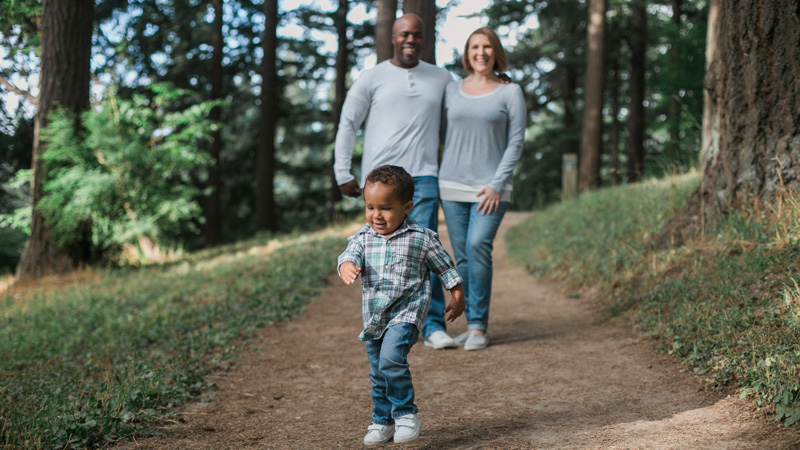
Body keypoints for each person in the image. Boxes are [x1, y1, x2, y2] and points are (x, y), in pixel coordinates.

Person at [333, 13, 460, 350]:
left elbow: (464, 111)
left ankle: (432, 326)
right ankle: (389, 322)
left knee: (425, 250)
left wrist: (499, 79)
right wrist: (342, 172)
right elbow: (348, 124)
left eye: (417, 34)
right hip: (380, 181)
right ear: (392, 36)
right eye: (404, 33)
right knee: (379, 255)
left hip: (425, 176)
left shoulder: (442, 77)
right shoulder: (371, 77)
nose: (410, 39)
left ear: (424, 38)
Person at [338, 165, 465, 445]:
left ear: (406, 206)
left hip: (407, 313)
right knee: (377, 372)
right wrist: (347, 265)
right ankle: (382, 421)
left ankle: (406, 414)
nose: (376, 215)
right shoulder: (362, 237)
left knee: (391, 360)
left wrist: (457, 296)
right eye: (369, 207)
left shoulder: (421, 238)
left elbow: (446, 269)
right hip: (374, 318)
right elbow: (348, 255)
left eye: (385, 208)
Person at [425, 27, 527, 351]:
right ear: (467, 54)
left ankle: (480, 327)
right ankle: (470, 327)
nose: (480, 53)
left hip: (491, 189)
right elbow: (440, 132)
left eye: (486, 47)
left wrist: (497, 184)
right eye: (474, 47)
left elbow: (516, 142)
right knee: (463, 259)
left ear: (495, 52)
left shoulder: (510, 92)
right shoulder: (452, 91)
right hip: (452, 184)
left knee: (478, 244)